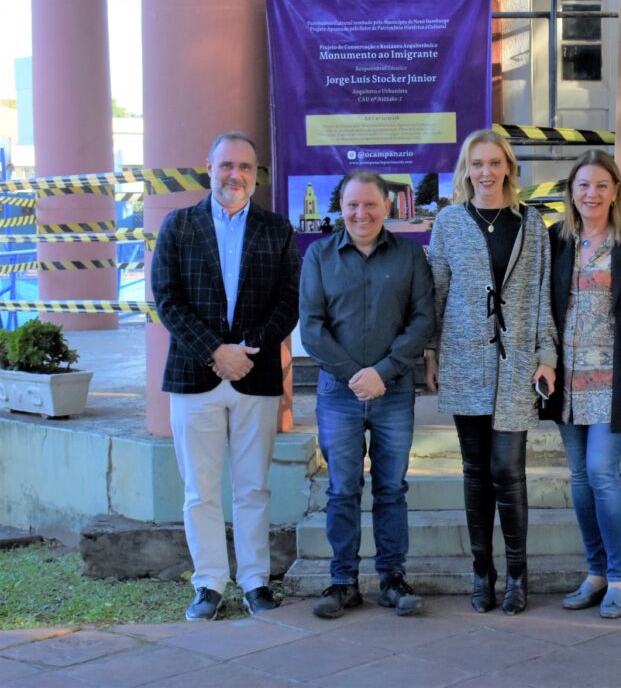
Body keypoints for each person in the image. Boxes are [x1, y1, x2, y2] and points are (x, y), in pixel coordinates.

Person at [152, 131, 300, 621]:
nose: (235, 175)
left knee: (253, 487)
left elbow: (290, 301)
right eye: (226, 165)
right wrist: (216, 351)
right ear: (209, 167)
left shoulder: (276, 229)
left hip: (255, 375)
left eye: (245, 167)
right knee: (200, 489)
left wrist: (245, 352)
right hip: (194, 377)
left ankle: (256, 580)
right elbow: (167, 298)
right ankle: (209, 583)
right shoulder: (178, 226)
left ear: (255, 175)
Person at [424, 129, 557, 615]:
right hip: (463, 359)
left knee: (508, 468)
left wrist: (547, 355)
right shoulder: (449, 222)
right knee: (476, 470)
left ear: (508, 168)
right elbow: (436, 292)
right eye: (477, 164)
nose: (486, 172)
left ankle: (518, 574)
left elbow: (542, 293)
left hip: (517, 360)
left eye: (494, 163)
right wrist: (431, 353)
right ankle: (482, 572)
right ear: (466, 170)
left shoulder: (532, 224)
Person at [300, 170, 435, 619]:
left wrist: (383, 372)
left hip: (393, 392)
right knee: (342, 489)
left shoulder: (411, 256)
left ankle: (393, 579)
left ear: (387, 206)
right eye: (353, 205)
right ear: (341, 207)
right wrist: (355, 376)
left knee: (391, 488)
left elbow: (422, 319)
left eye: (371, 204)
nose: (362, 213)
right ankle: (343, 582)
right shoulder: (319, 256)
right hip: (338, 394)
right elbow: (312, 327)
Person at [542, 150, 621, 619]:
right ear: (571, 192)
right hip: (567, 380)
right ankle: (593, 574)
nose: (591, 194)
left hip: (613, 382)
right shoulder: (556, 240)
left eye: (601, 185)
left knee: (601, 473)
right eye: (583, 185)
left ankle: (618, 578)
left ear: (615, 192)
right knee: (579, 477)